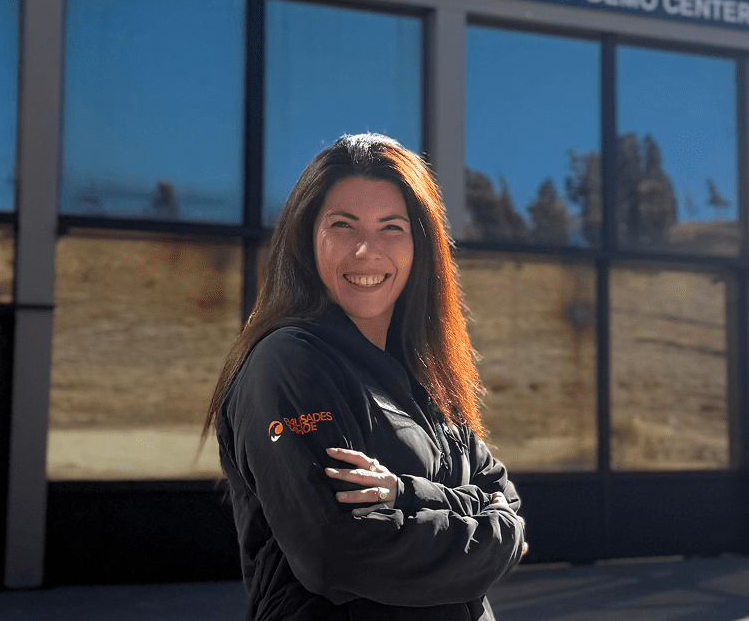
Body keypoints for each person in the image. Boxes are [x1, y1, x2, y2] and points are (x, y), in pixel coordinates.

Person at [204, 133, 525, 621]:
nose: (365, 250)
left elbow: (506, 498)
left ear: (421, 246)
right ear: (307, 237)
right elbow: (338, 557)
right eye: (343, 225)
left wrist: (403, 492)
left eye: (391, 228)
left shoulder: (427, 377)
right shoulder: (287, 364)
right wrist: (495, 531)